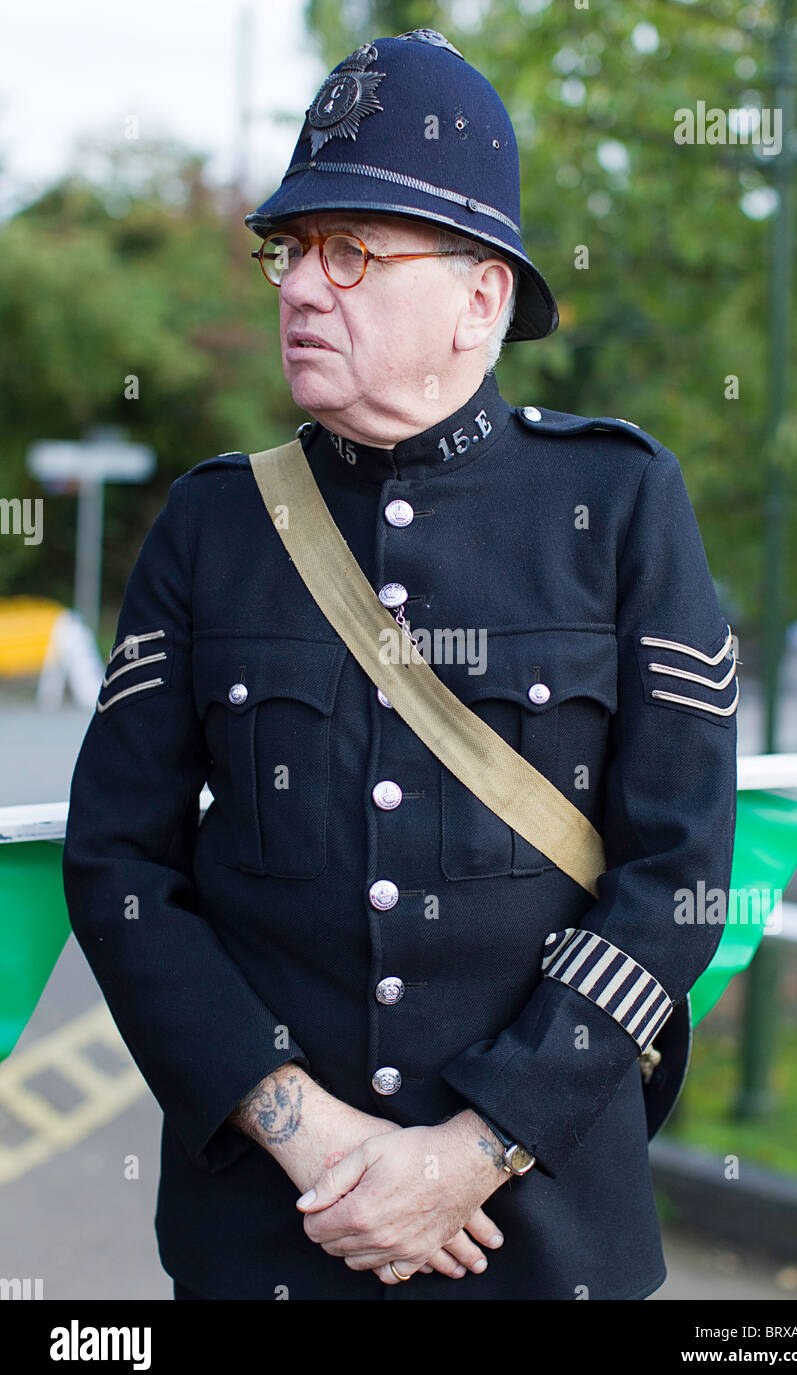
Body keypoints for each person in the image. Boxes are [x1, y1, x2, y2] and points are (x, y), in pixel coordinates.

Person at [61, 29, 738, 1301]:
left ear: (481, 296)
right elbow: (120, 865)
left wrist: (474, 1148)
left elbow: (674, 873)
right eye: (290, 250)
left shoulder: (620, 503)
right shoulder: (212, 528)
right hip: (269, 1236)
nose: (301, 289)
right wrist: (304, 1133)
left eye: (353, 252)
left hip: (540, 1239)